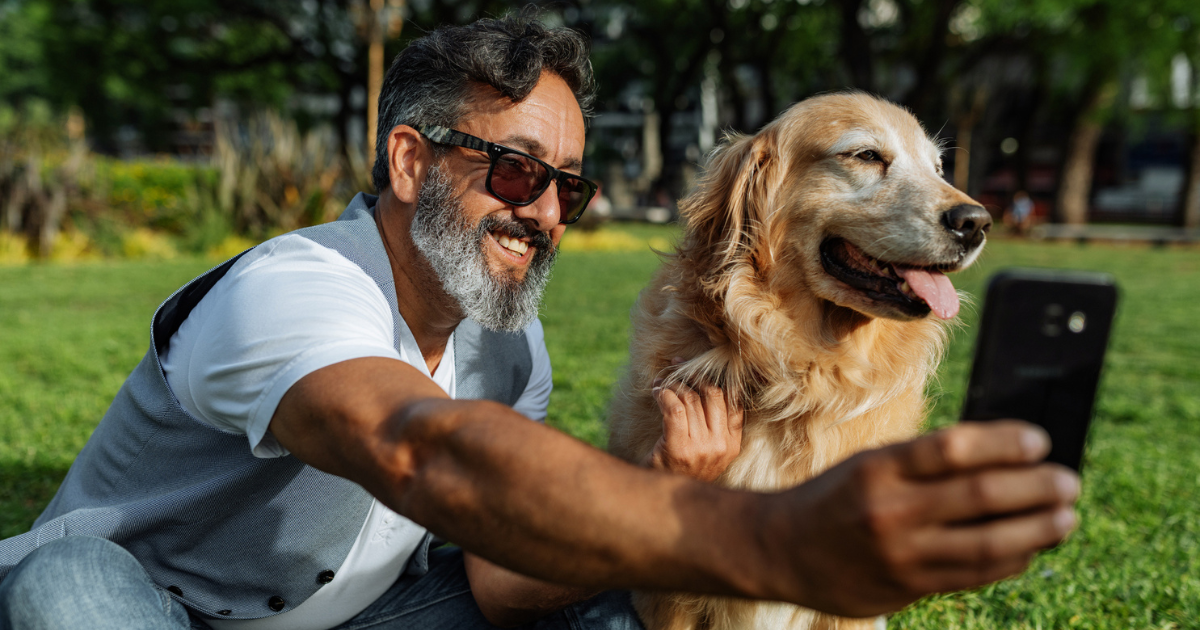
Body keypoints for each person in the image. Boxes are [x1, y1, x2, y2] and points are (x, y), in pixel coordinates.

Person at [0, 14, 1080, 630]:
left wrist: (676, 489)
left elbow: (497, 584)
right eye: (516, 170)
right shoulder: (294, 286)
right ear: (409, 161)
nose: (545, 209)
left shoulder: (507, 342)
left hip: (362, 623)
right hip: (156, 601)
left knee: (610, 612)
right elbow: (418, 449)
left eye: (570, 184)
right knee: (69, 589)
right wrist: (770, 537)